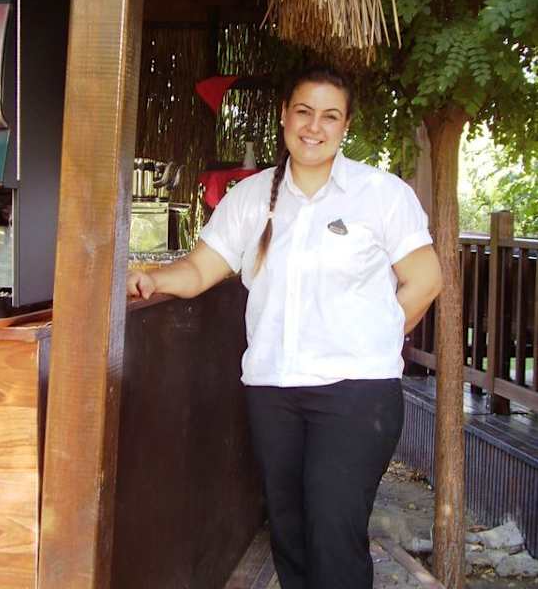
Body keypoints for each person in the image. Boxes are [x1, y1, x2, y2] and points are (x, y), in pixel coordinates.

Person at [127, 66, 443, 589]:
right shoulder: (251, 198)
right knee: (289, 533)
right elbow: (202, 269)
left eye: (330, 116)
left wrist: (374, 340)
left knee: (333, 529)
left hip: (355, 394)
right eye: (304, 111)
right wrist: (152, 279)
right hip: (273, 390)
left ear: (345, 126)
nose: (314, 126)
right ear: (283, 116)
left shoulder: (380, 194)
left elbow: (425, 279)